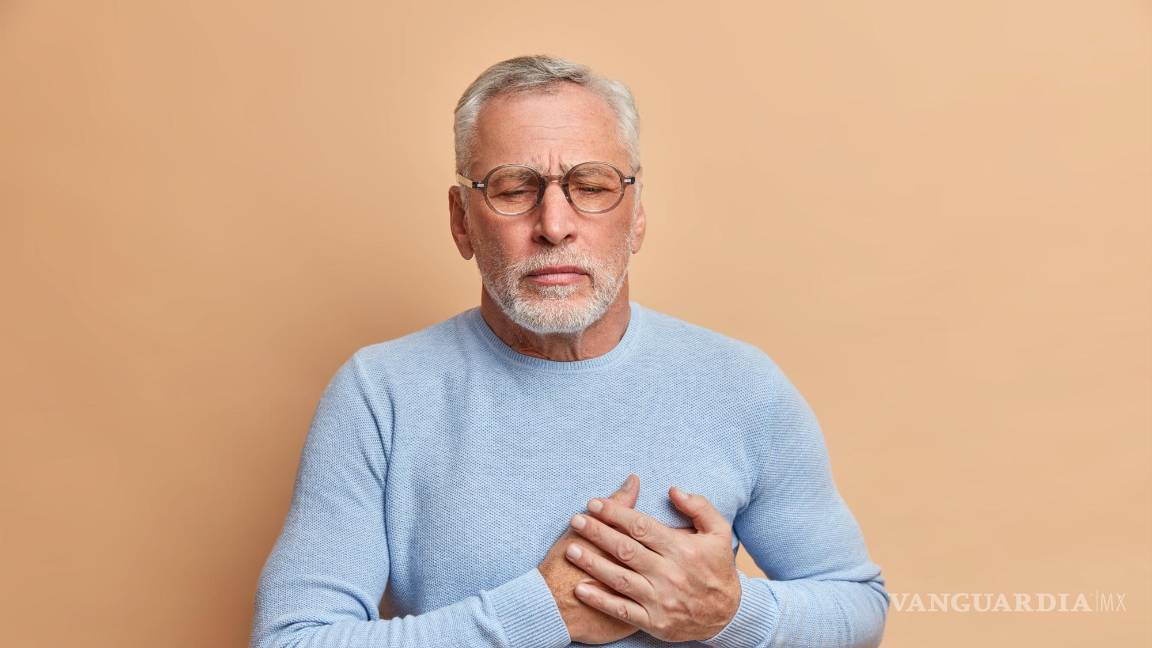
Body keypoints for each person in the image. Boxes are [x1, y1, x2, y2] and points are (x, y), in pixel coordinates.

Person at [249, 54, 889, 648]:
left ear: (637, 214)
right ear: (460, 220)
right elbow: (291, 640)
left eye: (591, 183)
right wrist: (537, 613)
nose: (554, 225)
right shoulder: (379, 395)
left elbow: (859, 605)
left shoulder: (741, 386)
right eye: (512, 187)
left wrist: (730, 613)